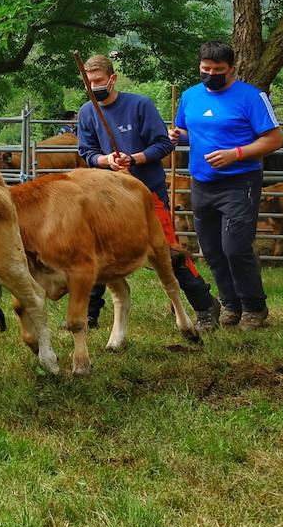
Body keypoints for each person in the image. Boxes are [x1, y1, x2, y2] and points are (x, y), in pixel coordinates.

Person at [76, 54, 221, 331]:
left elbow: (163, 145)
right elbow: (87, 152)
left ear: (112, 78)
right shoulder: (87, 112)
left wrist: (135, 158)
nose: (94, 87)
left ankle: (205, 305)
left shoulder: (139, 105)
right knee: (96, 251)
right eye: (88, 82)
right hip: (107, 196)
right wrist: (106, 160)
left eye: (98, 81)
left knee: (166, 250)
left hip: (146, 194)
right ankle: (89, 314)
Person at [171, 41, 283, 330]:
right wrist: (176, 136)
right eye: (205, 69)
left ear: (231, 68)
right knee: (211, 249)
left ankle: (254, 308)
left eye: (218, 70)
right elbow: (186, 131)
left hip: (239, 181)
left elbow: (273, 140)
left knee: (235, 247)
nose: (211, 74)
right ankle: (230, 305)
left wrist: (236, 154)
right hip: (201, 182)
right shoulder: (190, 96)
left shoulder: (251, 97)